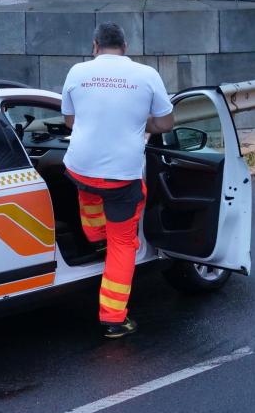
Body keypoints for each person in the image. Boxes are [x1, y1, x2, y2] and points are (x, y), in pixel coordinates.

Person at [61, 22, 174, 338]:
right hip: (122, 175)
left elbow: (70, 120)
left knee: (90, 189)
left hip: (80, 168)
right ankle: (113, 318)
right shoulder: (147, 75)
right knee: (124, 243)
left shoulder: (76, 72)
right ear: (125, 46)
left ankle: (96, 236)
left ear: (95, 45)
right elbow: (165, 123)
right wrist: (142, 122)